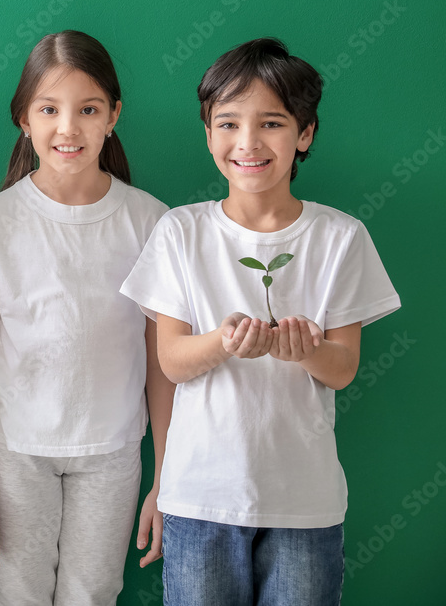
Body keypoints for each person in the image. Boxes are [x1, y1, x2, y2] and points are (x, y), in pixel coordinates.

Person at [121, 38, 401, 605]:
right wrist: (223, 343)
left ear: (305, 134)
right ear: (207, 133)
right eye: (227, 123)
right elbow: (172, 362)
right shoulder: (180, 232)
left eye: (271, 123)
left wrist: (305, 352)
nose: (247, 142)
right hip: (199, 497)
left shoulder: (340, 238)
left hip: (305, 502)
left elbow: (343, 368)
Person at [0, 30, 175, 604]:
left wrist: (165, 478)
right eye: (49, 109)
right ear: (24, 119)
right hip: (17, 450)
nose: (68, 128)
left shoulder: (151, 222)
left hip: (112, 451)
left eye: (88, 109)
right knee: (18, 592)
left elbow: (161, 363)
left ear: (114, 115)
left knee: (93, 594)